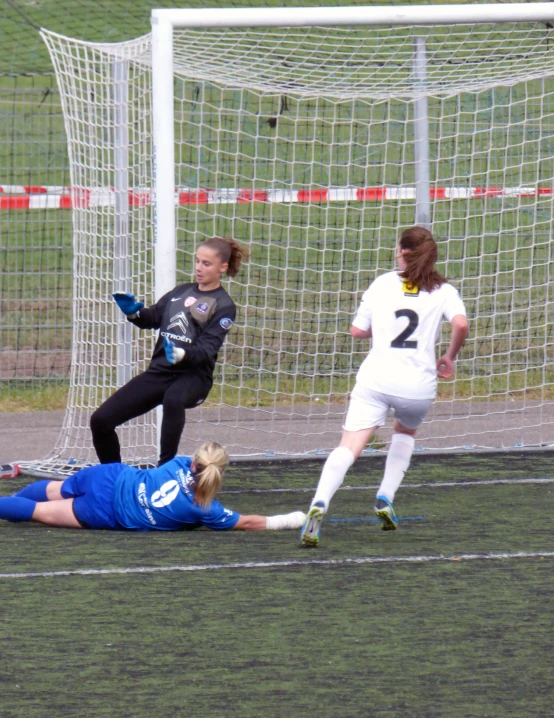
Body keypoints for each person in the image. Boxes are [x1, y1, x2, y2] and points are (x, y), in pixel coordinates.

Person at [300, 226, 469, 547]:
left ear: (403, 253)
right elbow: (460, 323)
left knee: (348, 447)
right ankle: (385, 496)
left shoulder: (382, 283)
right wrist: (449, 355)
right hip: (417, 385)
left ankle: (318, 504)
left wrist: (380, 327)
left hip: (376, 379)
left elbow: (357, 331)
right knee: (404, 433)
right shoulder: (444, 290)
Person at [91, 236, 249, 467]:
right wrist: (134, 313)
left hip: (193, 378)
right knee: (100, 420)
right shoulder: (181, 292)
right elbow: (152, 318)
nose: (198, 267)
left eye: (206, 263)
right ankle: (112, 476)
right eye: (197, 261)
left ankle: (164, 469)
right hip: (160, 373)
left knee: (173, 399)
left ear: (222, 268)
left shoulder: (223, 305)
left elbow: (207, 349)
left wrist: (183, 355)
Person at [0, 442, 306, 533]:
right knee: (38, 512)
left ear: (195, 462)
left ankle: (10, 501)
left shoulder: (178, 462)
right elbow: (248, 522)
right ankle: (9, 504)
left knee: (53, 489)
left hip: (110, 475)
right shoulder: (205, 509)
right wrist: (293, 519)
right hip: (109, 511)